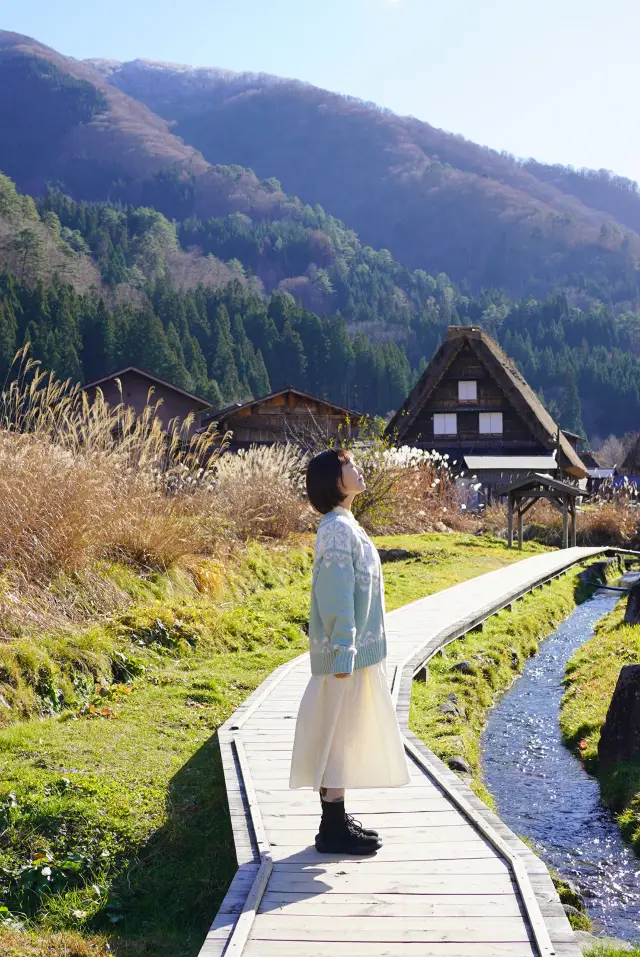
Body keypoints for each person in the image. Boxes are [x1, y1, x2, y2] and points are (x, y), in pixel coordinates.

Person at [289, 448, 410, 855]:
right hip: (347, 653)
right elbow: (335, 593)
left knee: (342, 736)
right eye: (350, 465)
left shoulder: (344, 524)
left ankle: (335, 823)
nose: (358, 469)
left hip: (356, 651)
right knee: (337, 738)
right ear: (334, 480)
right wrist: (343, 647)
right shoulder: (337, 528)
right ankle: (332, 828)